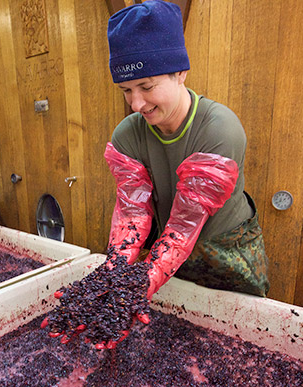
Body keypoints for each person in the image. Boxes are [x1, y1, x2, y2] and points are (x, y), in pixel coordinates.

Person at [104, 0, 270, 300]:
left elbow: (184, 225)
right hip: (166, 262)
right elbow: (132, 214)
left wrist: (137, 288)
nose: (136, 104)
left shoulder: (219, 129)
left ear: (180, 72)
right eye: (126, 90)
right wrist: (111, 280)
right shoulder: (126, 135)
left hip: (225, 257)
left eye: (146, 86)